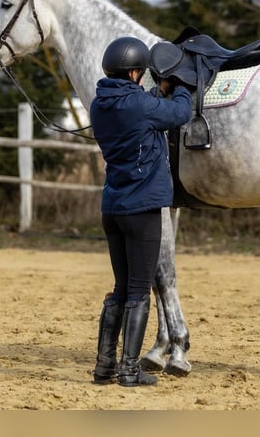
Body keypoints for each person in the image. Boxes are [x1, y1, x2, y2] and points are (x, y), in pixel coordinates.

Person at [89, 36, 193, 387]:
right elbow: (180, 113)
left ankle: (105, 366)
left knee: (120, 288)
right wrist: (177, 86)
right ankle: (130, 370)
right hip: (143, 209)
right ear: (135, 72)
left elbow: (139, 109)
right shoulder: (139, 105)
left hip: (113, 208)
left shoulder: (99, 104)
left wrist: (154, 94)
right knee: (138, 291)